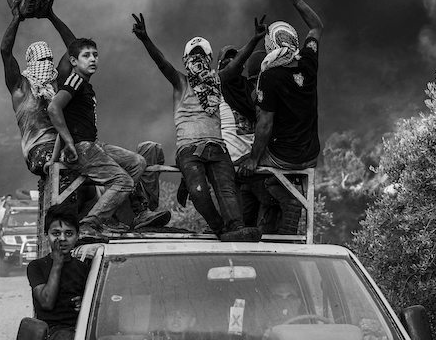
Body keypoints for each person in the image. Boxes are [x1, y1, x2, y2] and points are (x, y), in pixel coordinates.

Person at [132, 14, 253, 241]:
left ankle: (236, 228)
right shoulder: (180, 82)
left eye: (202, 55)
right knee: (199, 193)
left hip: (217, 149)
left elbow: (236, 65)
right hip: (189, 150)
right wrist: (145, 39)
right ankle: (220, 229)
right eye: (193, 55)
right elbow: (162, 62)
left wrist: (255, 39)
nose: (198, 60)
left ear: (208, 59)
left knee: (227, 190)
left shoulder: (218, 80)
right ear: (185, 59)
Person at [48, 36, 169, 236]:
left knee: (138, 162)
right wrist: (68, 144)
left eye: (95, 55)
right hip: (83, 149)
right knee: (123, 181)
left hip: (94, 145)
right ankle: (90, 224)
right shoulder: (75, 80)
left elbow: (66, 122)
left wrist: (53, 159)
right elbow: (53, 108)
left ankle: (132, 212)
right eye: (86, 55)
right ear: (73, 61)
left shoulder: (85, 85)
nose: (93, 59)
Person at [239, 0, 323, 236]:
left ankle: (247, 227)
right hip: (310, 154)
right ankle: (281, 213)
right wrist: (295, 0)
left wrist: (253, 159)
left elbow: (265, 125)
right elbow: (316, 27)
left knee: (238, 169)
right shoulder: (309, 64)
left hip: (284, 157)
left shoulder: (269, 76)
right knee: (252, 164)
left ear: (270, 45)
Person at [0, 5, 80, 177]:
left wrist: (51, 15)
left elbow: (74, 48)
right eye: (42, 60)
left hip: (64, 144)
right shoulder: (20, 87)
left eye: (49, 59)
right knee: (65, 162)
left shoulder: (56, 82)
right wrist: (16, 18)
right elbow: (5, 51)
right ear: (31, 61)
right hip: (38, 151)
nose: (47, 63)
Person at [218, 16, 277, 234]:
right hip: (236, 163)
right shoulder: (222, 81)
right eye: (228, 59)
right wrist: (254, 39)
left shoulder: (247, 89)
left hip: (253, 162)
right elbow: (232, 69)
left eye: (236, 59)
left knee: (254, 221)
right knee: (279, 199)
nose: (233, 62)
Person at [26, 210, 90, 340]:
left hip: (83, 330)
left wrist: (85, 303)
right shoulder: (37, 267)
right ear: (46, 236)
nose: (62, 239)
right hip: (52, 333)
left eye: (68, 234)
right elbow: (46, 302)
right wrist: (57, 264)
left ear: (77, 236)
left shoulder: (85, 268)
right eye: (56, 233)